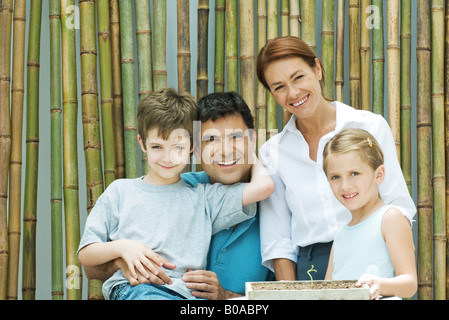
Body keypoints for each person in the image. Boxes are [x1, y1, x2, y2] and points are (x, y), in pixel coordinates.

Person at [77, 88, 274, 300]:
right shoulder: (124, 190)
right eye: (157, 146)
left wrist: (248, 148)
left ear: (190, 147)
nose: (168, 157)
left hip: (186, 295)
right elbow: (88, 261)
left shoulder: (204, 197)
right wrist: (122, 251)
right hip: (139, 290)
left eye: (177, 147)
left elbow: (264, 187)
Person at [256, 36, 416, 281]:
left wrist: (385, 268)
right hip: (310, 268)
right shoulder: (272, 152)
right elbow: (278, 239)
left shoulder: (370, 126)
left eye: (298, 77)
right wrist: (288, 296)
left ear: (317, 68)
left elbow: (398, 205)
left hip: (372, 262)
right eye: (279, 87)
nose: (293, 92)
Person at [322, 128, 417, 300]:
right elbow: (328, 290)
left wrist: (380, 285)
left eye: (354, 173)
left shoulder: (390, 218)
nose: (345, 186)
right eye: (335, 177)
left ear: (379, 175)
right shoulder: (340, 234)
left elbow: (410, 284)